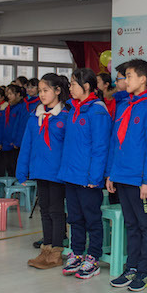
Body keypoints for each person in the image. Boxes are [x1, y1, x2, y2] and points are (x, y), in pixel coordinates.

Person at [106, 59, 147, 292]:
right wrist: (111, 173)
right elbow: (115, 143)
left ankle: (144, 271)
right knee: (131, 224)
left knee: (146, 226)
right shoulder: (124, 106)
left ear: (143, 79)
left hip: (140, 179)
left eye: (129, 76)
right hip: (122, 175)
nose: (124, 80)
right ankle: (131, 267)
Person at [57, 68, 111, 280]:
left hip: (88, 177)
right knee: (75, 217)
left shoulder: (97, 111)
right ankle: (77, 252)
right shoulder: (73, 109)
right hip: (71, 174)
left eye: (73, 83)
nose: (70, 87)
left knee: (92, 218)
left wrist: (95, 177)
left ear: (86, 86)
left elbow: (101, 147)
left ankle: (93, 257)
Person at [19, 73, 71, 269]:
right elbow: (27, 144)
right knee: (44, 210)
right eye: (40, 91)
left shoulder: (66, 115)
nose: (41, 94)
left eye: (45, 90)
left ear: (57, 91)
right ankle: (46, 249)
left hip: (57, 172)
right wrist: (22, 169)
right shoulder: (35, 116)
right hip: (40, 170)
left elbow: (70, 147)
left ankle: (56, 251)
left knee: (56, 211)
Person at [2, 84, 29, 177]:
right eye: (7, 94)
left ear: (18, 94)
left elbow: (21, 126)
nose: (8, 96)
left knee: (15, 167)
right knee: (8, 167)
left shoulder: (22, 107)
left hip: (15, 144)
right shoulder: (8, 107)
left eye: (11, 94)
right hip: (6, 142)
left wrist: (17, 141)